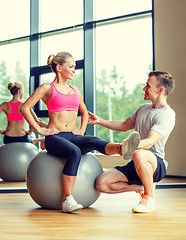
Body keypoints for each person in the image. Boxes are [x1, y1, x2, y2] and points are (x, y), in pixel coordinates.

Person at [20, 51, 140, 213]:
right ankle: (67, 199)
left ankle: (121, 148)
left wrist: (82, 129)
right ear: (59, 67)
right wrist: (40, 129)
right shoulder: (47, 88)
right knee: (74, 152)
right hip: (54, 137)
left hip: (73, 135)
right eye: (70, 66)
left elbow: (84, 112)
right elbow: (24, 108)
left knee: (94, 141)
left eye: (74, 67)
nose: (74, 70)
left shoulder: (75, 90)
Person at [88, 71, 176, 213]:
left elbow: (150, 141)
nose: (144, 89)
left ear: (160, 90)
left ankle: (149, 199)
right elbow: (123, 125)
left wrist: (129, 146)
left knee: (140, 153)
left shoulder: (167, 114)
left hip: (155, 163)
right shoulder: (143, 109)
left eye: (148, 86)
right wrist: (99, 121)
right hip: (136, 161)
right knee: (101, 183)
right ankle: (139, 187)